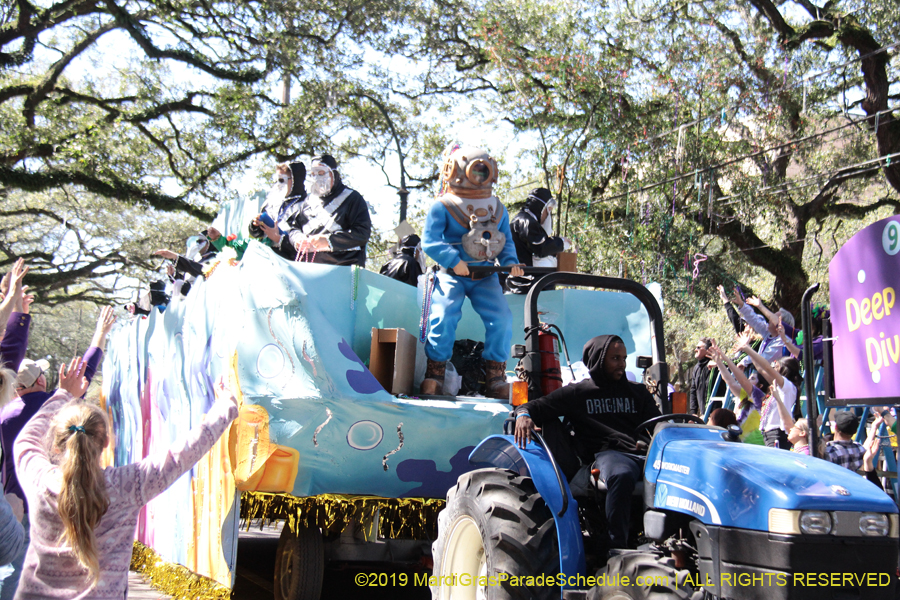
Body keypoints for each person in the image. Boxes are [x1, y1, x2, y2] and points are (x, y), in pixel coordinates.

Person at [12, 357, 238, 599]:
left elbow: (25, 440)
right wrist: (226, 406)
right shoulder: (128, 486)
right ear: (106, 442)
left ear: (56, 445)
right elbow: (182, 454)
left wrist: (63, 394)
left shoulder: (39, 480)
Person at [514, 335, 661, 549]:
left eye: (624, 358)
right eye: (615, 358)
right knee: (621, 474)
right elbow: (535, 406)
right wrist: (523, 414)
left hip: (643, 453)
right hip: (609, 455)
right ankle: (617, 547)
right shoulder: (578, 393)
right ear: (598, 360)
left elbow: (657, 424)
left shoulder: (638, 392)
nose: (622, 364)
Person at [420, 144, 523, 398]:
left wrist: (512, 264)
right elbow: (430, 241)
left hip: (485, 275)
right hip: (451, 274)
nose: (478, 176)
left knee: (502, 319)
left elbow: (506, 241)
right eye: (474, 170)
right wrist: (454, 261)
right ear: (455, 170)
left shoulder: (497, 208)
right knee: (443, 316)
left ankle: (496, 379)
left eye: (483, 171)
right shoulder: (443, 206)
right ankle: (435, 375)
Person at [283, 155, 371, 266]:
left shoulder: (352, 198)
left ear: (333, 174)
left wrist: (329, 240)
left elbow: (362, 233)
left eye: (320, 173)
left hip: (343, 269)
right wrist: (297, 239)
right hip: (308, 268)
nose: (316, 179)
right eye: (313, 175)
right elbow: (293, 228)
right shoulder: (307, 202)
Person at [737, 331, 802, 449]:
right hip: (768, 434)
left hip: (777, 433)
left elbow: (766, 366)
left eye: (776, 367)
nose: (773, 369)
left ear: (785, 370)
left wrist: (747, 348)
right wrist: (748, 350)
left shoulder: (787, 386)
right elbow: (761, 369)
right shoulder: (779, 385)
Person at [505, 188, 571, 294]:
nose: (548, 215)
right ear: (540, 208)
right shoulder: (525, 221)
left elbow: (535, 247)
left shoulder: (524, 220)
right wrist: (561, 243)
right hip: (526, 286)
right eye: (548, 210)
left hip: (529, 285)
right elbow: (541, 248)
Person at [249, 162, 308, 260]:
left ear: (294, 181)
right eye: (276, 180)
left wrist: (280, 239)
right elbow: (257, 234)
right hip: (267, 255)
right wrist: (255, 225)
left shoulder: (307, 206)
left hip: (289, 261)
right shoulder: (271, 201)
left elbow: (306, 244)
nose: (278, 184)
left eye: (281, 180)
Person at [688, 338, 713, 417]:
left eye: (698, 347)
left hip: (714, 414)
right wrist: (693, 413)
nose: (695, 350)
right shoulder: (696, 368)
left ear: (707, 350)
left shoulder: (714, 365)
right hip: (703, 414)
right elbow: (693, 390)